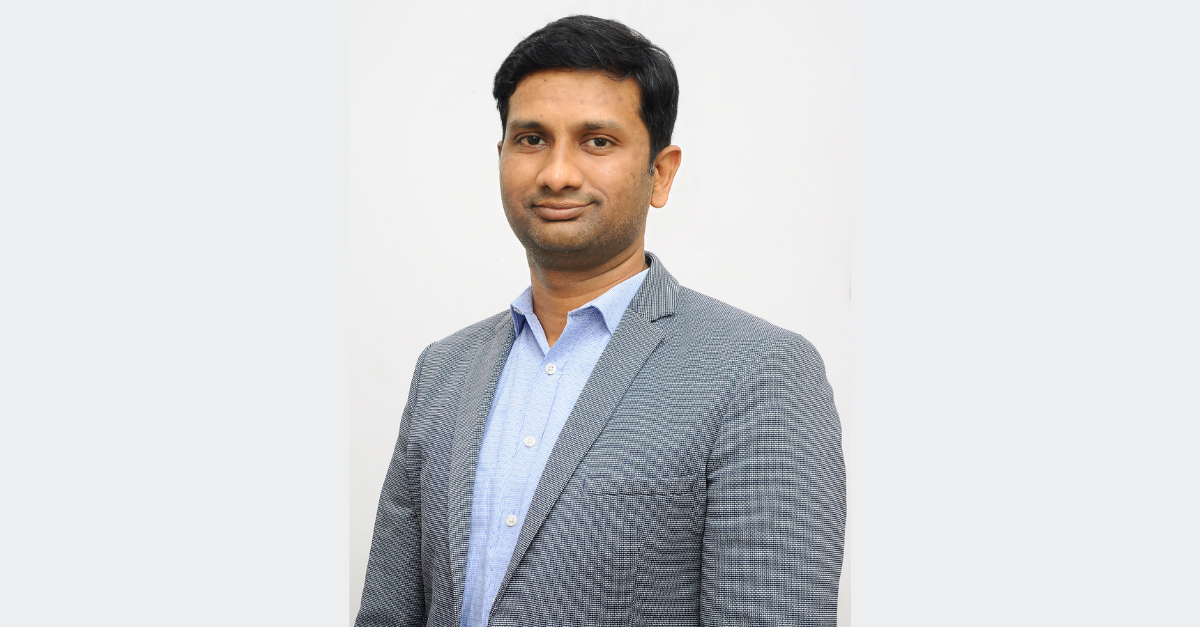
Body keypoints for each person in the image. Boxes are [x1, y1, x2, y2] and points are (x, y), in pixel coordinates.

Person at [355, 14, 845, 627]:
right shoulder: (443, 370)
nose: (557, 173)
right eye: (531, 139)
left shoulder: (760, 372)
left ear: (660, 173)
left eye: (598, 141)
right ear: (501, 156)